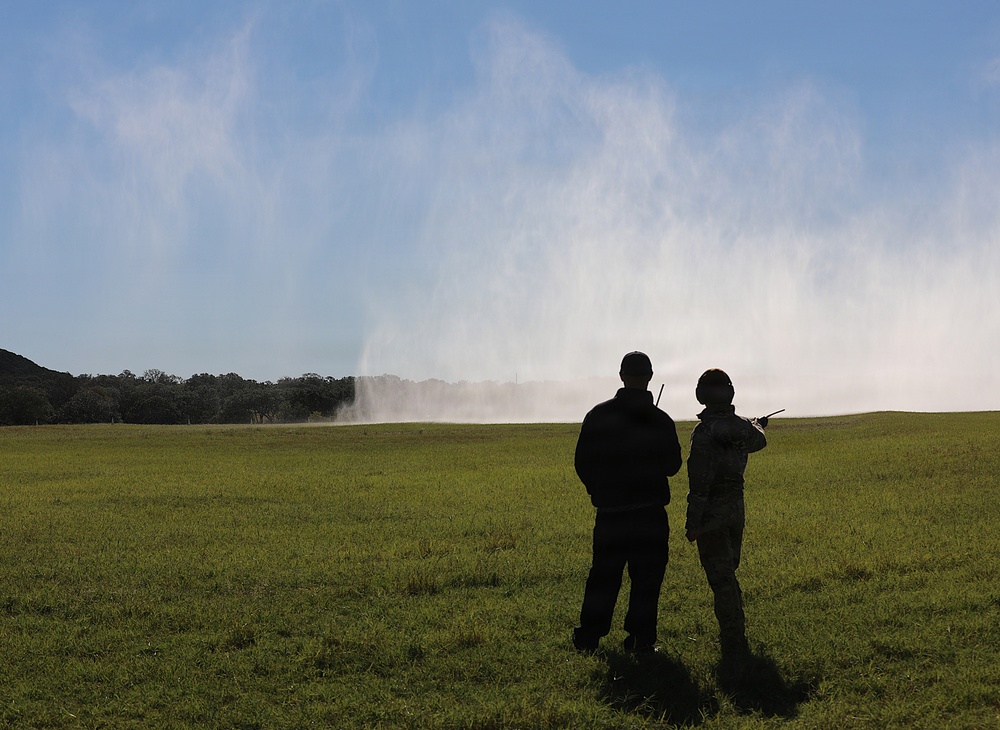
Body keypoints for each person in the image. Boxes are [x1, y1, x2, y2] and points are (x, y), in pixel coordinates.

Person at [572, 351, 683, 654]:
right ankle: (640, 640)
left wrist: (596, 491)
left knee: (603, 577)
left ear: (621, 376)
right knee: (647, 580)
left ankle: (588, 638)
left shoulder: (599, 415)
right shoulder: (661, 420)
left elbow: (582, 462)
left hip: (610, 514)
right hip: (650, 515)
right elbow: (673, 466)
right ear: (650, 377)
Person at [685, 368, 768, 663]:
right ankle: (736, 635)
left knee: (721, 580)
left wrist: (693, 523)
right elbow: (759, 439)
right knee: (728, 573)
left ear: (701, 395)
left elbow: (698, 485)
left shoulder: (705, 432)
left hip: (712, 513)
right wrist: (756, 424)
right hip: (736, 509)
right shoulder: (742, 427)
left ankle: (733, 640)